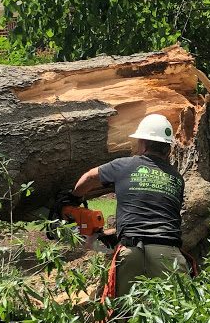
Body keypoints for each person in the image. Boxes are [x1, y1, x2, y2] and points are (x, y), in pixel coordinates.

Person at [73, 113, 189, 296]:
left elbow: (89, 177)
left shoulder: (123, 165)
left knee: (121, 314)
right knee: (179, 316)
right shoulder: (177, 178)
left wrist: (74, 198)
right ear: (168, 150)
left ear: (142, 143)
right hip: (168, 252)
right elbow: (158, 216)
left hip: (131, 249)